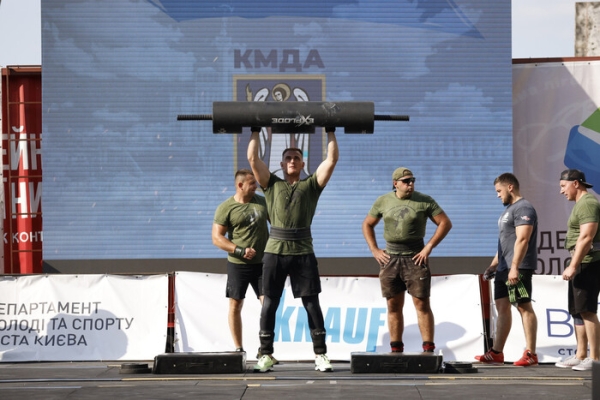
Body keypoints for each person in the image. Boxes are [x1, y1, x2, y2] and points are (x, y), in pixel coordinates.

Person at [247, 126, 338, 373]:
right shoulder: (271, 184)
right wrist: (255, 129)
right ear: (281, 162)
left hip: (303, 252)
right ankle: (265, 354)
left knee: (311, 304)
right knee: (269, 304)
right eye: (288, 158)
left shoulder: (311, 186)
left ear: (302, 162)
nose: (292, 161)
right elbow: (253, 159)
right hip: (275, 251)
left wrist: (330, 130)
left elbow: (331, 160)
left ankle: (320, 355)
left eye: (296, 158)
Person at [362, 167, 452, 354]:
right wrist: (374, 250)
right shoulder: (383, 201)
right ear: (396, 183)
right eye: (406, 181)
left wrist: (428, 247)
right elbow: (367, 224)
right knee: (393, 305)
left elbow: (445, 223)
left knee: (421, 303)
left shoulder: (424, 201)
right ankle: (396, 349)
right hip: (390, 258)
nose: (410, 184)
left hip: (415, 257)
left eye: (412, 180)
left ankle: (428, 348)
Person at [475, 173, 539, 367]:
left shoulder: (524, 208)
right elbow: (505, 242)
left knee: (523, 305)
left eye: (499, 191)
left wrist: (514, 267)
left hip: (518, 267)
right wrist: (494, 264)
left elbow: (523, 239)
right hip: (504, 267)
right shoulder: (508, 211)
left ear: (510, 187)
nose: (497, 195)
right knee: (502, 307)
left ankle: (531, 353)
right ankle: (496, 352)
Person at [212, 169, 270, 356]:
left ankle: (266, 350)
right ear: (240, 185)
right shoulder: (226, 207)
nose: (256, 186)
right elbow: (216, 237)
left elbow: (278, 224)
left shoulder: (262, 202)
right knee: (235, 305)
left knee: (268, 305)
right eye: (252, 183)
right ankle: (239, 349)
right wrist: (239, 250)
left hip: (263, 264)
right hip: (238, 265)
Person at [558, 169, 600, 371]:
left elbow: (586, 238)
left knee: (587, 310)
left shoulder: (588, 204)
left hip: (589, 262)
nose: (561, 191)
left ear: (575, 183)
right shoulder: (580, 205)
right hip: (581, 261)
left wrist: (573, 265)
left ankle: (595, 358)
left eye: (563, 186)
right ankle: (581, 354)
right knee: (577, 311)